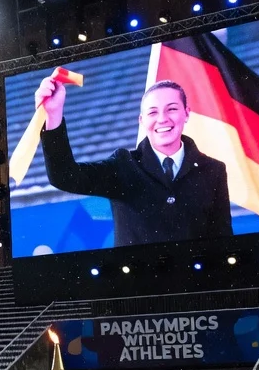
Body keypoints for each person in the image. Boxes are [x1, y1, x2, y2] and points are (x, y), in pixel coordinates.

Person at [37, 77, 233, 247]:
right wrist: (54, 114)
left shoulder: (213, 170)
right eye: (153, 112)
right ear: (141, 120)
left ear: (187, 113)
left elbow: (223, 238)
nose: (162, 119)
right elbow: (64, 176)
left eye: (171, 109)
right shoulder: (124, 165)